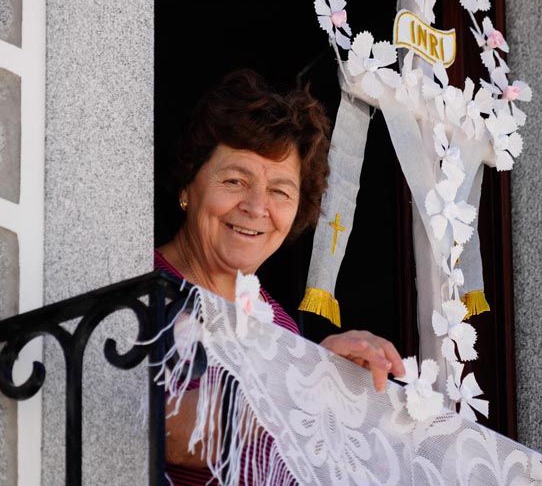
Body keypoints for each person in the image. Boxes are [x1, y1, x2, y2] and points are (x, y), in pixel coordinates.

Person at [155, 69, 405, 484]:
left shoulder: (283, 327)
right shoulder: (140, 284)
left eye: (280, 192)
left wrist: (342, 386)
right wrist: (307, 382)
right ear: (188, 186)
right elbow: (158, 432)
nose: (256, 207)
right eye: (235, 180)